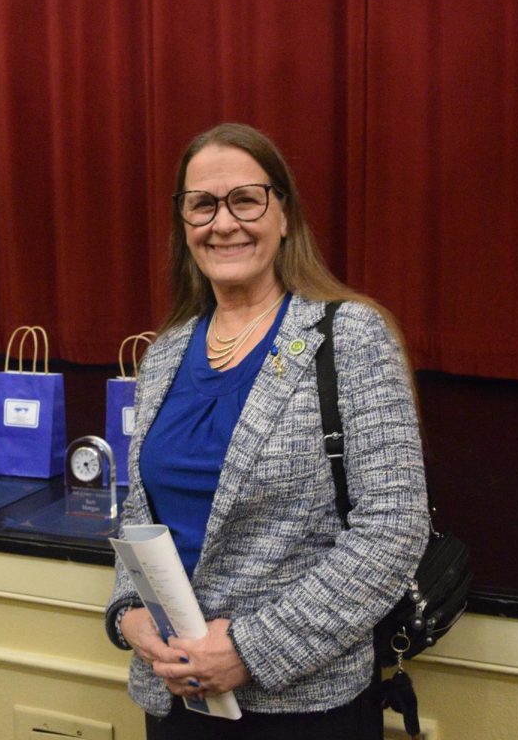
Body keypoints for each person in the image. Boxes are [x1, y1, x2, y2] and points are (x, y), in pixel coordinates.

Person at [104, 123, 430, 739]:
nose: (223, 223)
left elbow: (393, 526)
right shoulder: (166, 353)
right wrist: (128, 616)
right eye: (202, 205)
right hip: (174, 701)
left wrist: (250, 649)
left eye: (245, 200)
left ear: (284, 216)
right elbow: (139, 516)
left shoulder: (351, 336)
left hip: (302, 706)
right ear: (183, 226)